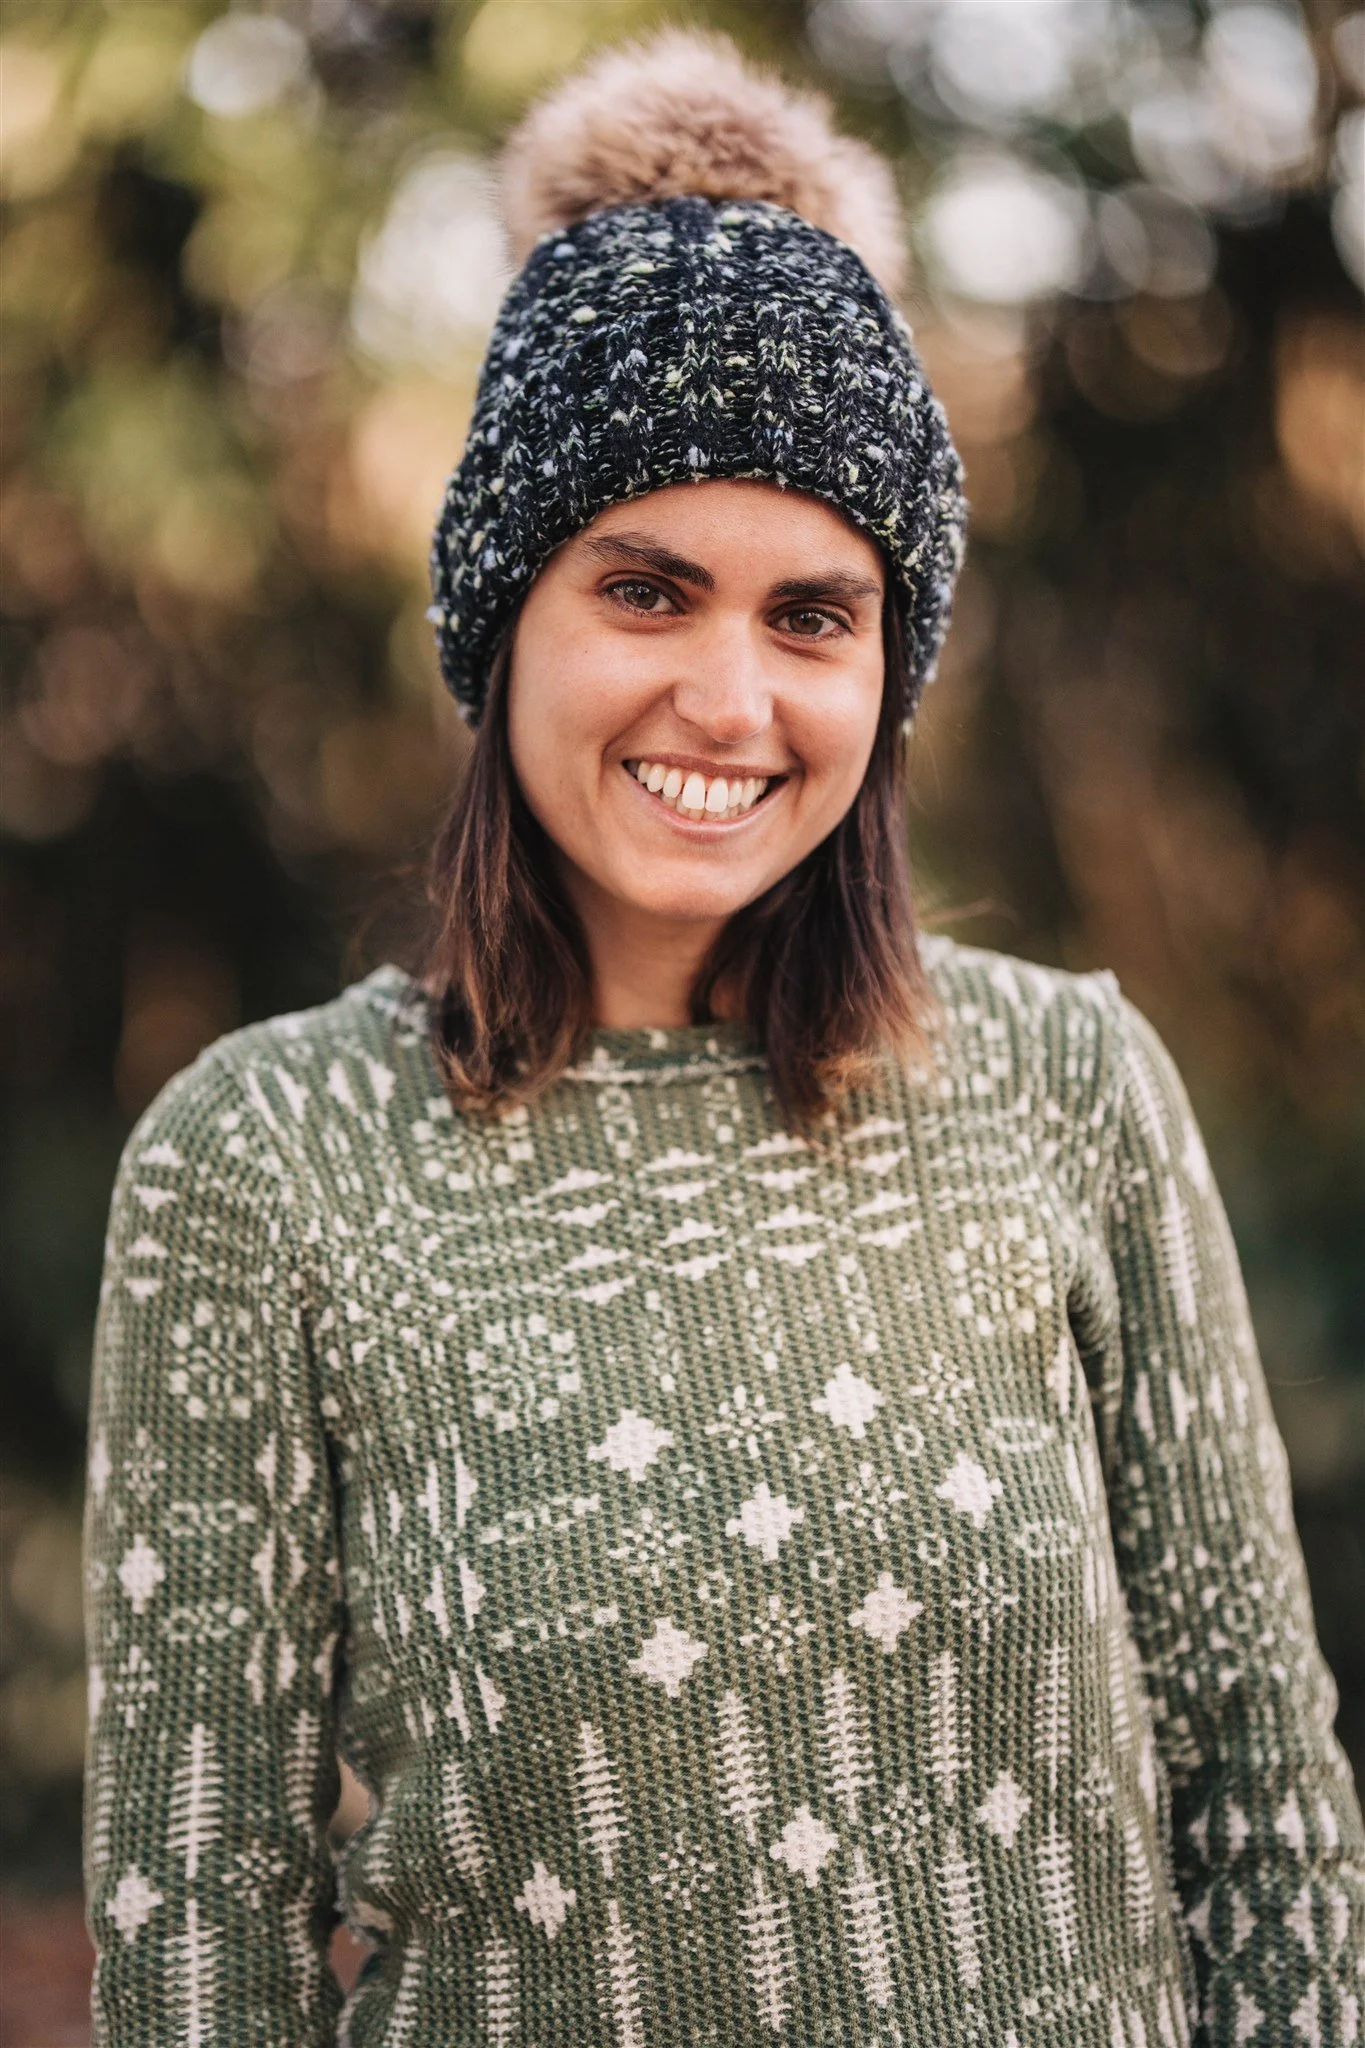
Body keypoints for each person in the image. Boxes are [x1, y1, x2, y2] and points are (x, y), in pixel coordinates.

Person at [82, 28, 1363, 2047]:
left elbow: (1264, 1812)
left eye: (812, 615)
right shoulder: (264, 1161)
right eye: (647, 589)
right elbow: (199, 1939)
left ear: (889, 668)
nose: (730, 699)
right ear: (505, 614)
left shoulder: (1071, 1091)